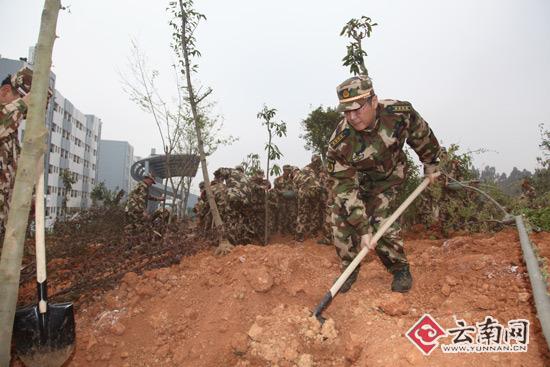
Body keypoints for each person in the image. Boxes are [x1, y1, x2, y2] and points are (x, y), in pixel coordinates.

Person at [326, 74, 441, 293]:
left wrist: (431, 162)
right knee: (340, 215)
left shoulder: (398, 114)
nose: (352, 117)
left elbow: (421, 133)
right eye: (346, 111)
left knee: (381, 221)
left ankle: (399, 268)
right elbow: (344, 187)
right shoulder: (340, 142)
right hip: (358, 180)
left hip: (390, 175)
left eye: (357, 109)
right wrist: (362, 228)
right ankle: (348, 269)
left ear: (374, 101)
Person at [0, 67, 33, 236]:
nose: (20, 119)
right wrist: (22, 104)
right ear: (5, 91)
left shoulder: (11, 137)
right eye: (21, 113)